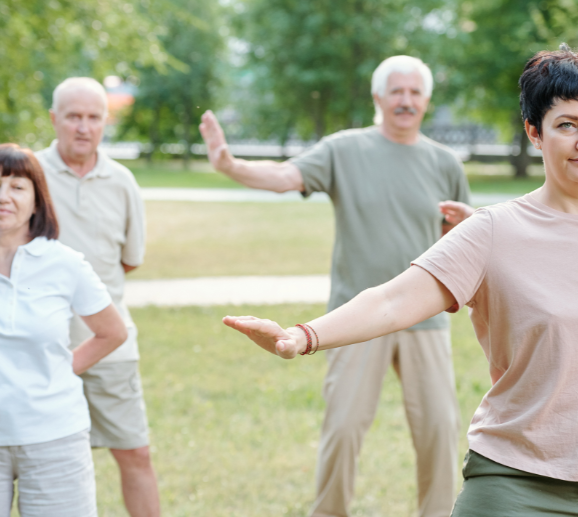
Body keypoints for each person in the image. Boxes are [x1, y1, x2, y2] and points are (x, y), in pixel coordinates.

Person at [222, 46, 578, 516]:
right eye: (567, 124)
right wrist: (299, 338)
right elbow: (392, 300)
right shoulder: (491, 230)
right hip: (517, 476)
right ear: (535, 132)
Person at [199, 55, 470, 517]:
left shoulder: (445, 162)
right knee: (342, 429)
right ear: (378, 97)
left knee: (440, 433)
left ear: (426, 99)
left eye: (415, 92)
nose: (406, 101)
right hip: (354, 319)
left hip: (423, 318)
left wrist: (461, 230)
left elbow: (462, 244)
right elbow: (286, 177)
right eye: (397, 91)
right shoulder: (344, 149)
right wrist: (230, 165)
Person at [0, 77, 157, 517]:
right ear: (54, 119)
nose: (83, 127)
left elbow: (130, 261)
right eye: (73, 116)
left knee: (134, 453)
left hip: (93, 354)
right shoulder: (21, 170)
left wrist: (65, 307)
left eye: (93, 117)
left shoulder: (120, 184)